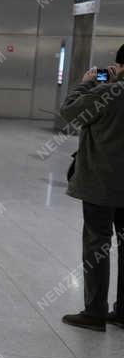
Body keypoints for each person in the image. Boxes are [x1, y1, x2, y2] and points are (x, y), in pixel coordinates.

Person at [59, 47, 124, 332]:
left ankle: (95, 312)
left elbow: (70, 112)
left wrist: (87, 83)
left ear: (120, 65)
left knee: (97, 242)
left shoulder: (109, 93)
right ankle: (123, 311)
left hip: (102, 183)